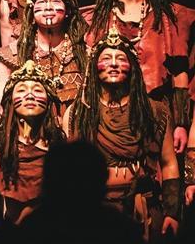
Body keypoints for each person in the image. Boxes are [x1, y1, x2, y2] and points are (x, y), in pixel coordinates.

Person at [65, 27, 180, 240]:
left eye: (121, 59)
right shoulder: (79, 112)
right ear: (94, 66)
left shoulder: (154, 111)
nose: (114, 64)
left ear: (132, 67)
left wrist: (172, 211)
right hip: (95, 212)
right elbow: (70, 171)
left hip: (142, 208)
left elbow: (169, 162)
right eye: (106, 58)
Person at [84, 0, 190, 154]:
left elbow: (180, 73)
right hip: (107, 117)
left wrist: (181, 123)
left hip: (157, 115)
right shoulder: (93, 19)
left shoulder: (169, 17)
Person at [0, 0, 87, 130]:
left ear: (67, 11)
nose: (48, 7)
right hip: (31, 137)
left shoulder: (83, 51)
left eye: (55, 1)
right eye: (41, 3)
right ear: (31, 14)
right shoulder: (14, 53)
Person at [0, 60, 64, 224]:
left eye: (37, 90)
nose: (30, 95)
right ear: (10, 101)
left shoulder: (59, 149)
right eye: (22, 90)